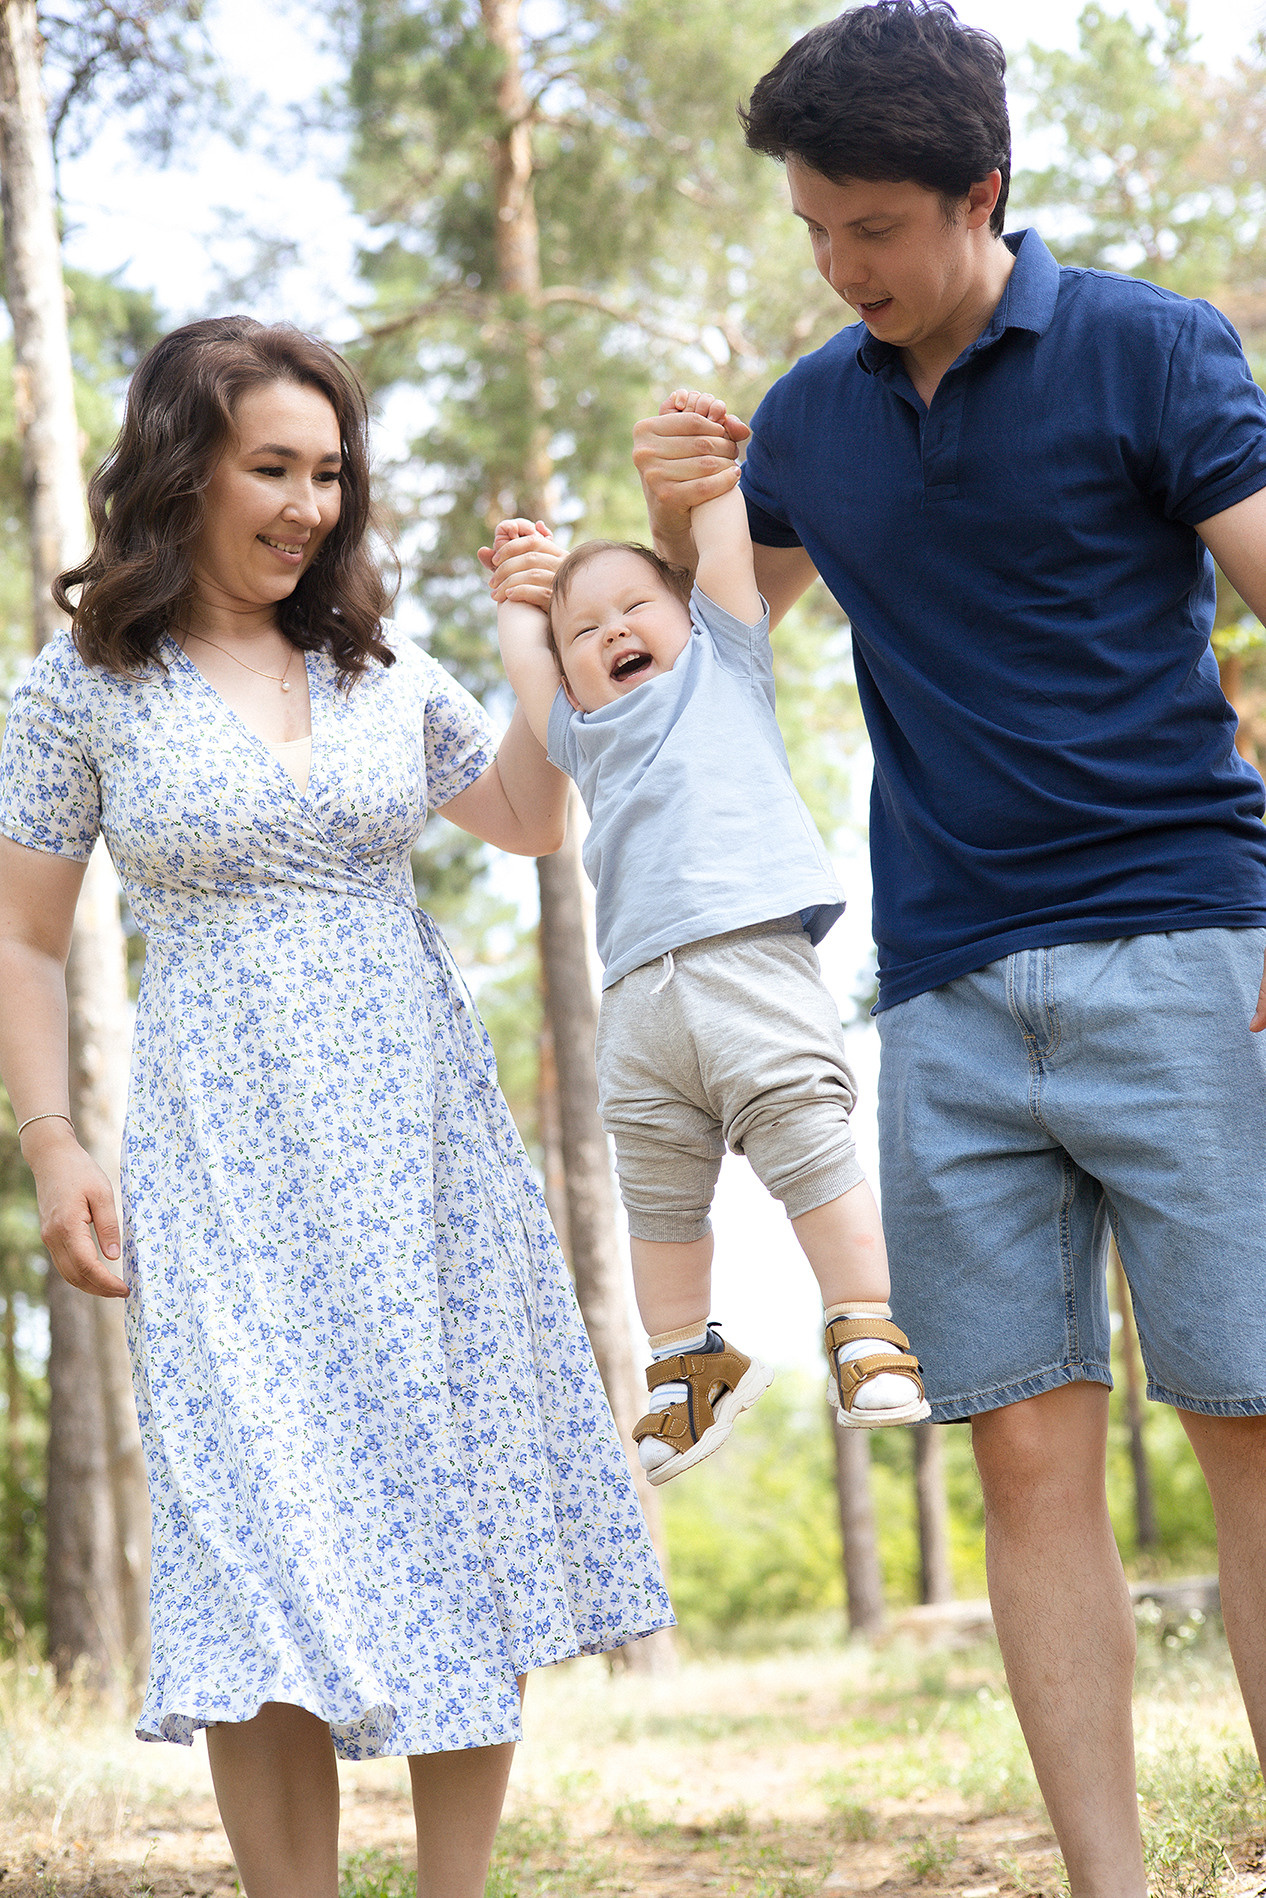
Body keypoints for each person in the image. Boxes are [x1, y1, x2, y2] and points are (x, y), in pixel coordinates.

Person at [630, 3, 1266, 1891]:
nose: (839, 266)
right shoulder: (819, 414)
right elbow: (709, 660)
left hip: (1186, 955)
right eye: (815, 229)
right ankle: (1107, 1879)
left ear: (982, 193)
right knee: (1018, 1458)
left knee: (1248, 1434)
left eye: (873, 229)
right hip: (949, 996)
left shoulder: (1152, 348)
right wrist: (681, 520)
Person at [0, 316, 672, 1898]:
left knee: (458, 1501)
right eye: (273, 468)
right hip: (223, 1153)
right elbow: (24, 938)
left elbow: (521, 812)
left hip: (421, 1135)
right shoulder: (81, 686)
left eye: (329, 473)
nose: (308, 504)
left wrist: (530, 637)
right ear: (186, 468)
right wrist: (51, 1140)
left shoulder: (372, 660)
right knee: (255, 1541)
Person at [483, 389, 929, 1489]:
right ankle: (688, 1366)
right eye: (584, 630)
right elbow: (529, 667)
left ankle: (864, 1323)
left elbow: (723, 543)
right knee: (657, 1200)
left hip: (748, 965)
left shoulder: (725, 660)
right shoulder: (581, 736)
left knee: (810, 1147)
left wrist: (717, 485)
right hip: (638, 1005)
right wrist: (517, 593)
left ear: (687, 610)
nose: (608, 634)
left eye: (633, 605)